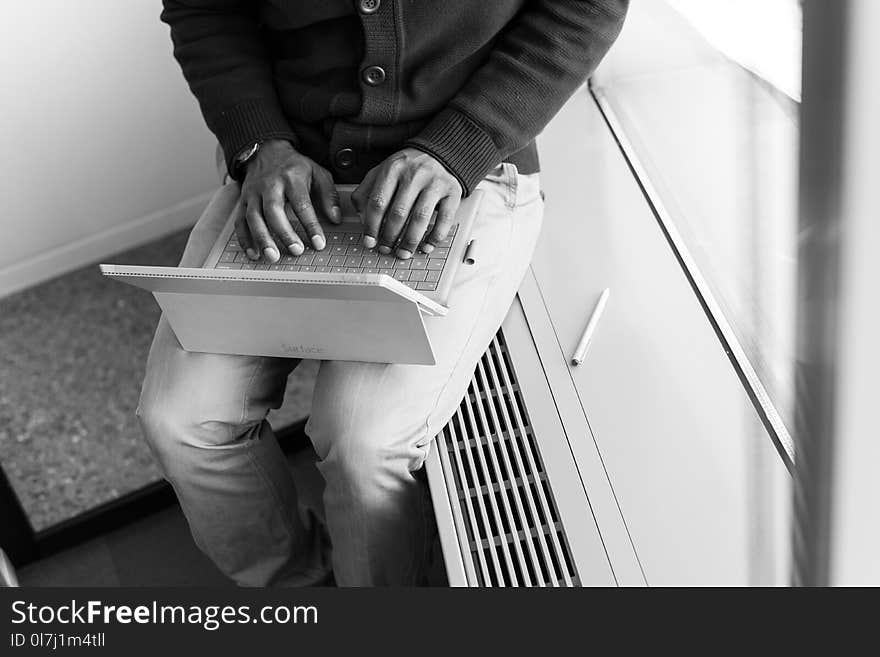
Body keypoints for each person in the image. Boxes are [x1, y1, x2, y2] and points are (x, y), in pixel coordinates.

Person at [141, 0, 628, 586]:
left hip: (464, 167)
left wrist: (458, 147)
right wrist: (258, 144)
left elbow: (585, 8)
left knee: (362, 443)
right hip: (286, 162)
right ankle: (298, 592)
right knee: (179, 420)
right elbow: (203, 8)